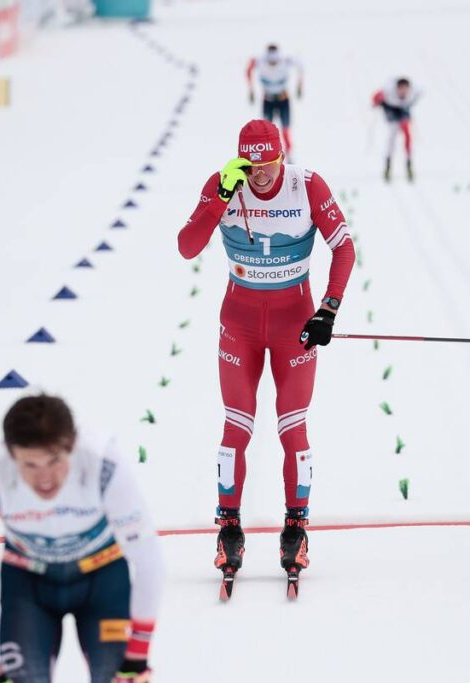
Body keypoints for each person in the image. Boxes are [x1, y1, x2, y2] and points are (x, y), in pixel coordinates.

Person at [177, 119, 354, 585]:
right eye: (251, 165)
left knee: (292, 428)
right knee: (236, 427)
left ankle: (296, 527)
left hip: (294, 324)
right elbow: (186, 246)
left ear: (281, 156)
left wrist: (328, 310)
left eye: (268, 164)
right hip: (239, 324)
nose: (259, 175)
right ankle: (228, 529)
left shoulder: (307, 185)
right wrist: (217, 198)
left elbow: (345, 248)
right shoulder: (224, 185)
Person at [0, 394, 164, 683]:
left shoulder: (103, 463)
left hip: (102, 583)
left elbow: (149, 560)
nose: (45, 478)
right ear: (10, 455)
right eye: (30, 465)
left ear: (72, 447)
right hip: (28, 587)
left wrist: (137, 657)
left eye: (54, 460)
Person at [246, 44, 303, 159]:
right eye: (270, 62)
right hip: (268, 101)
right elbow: (248, 70)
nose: (273, 64)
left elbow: (301, 66)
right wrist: (251, 89)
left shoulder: (285, 60)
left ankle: (289, 155)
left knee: (285, 129)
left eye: (275, 62)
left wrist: (299, 86)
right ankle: (268, 156)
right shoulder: (260, 60)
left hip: (283, 100)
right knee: (266, 131)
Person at [371, 77, 421, 182]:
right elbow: (376, 97)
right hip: (392, 115)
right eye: (401, 89)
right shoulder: (389, 93)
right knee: (391, 140)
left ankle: (408, 163)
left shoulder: (413, 93)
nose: (403, 92)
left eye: (405, 89)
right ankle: (388, 165)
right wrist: (377, 102)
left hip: (403, 113)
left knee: (407, 135)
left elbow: (421, 91)